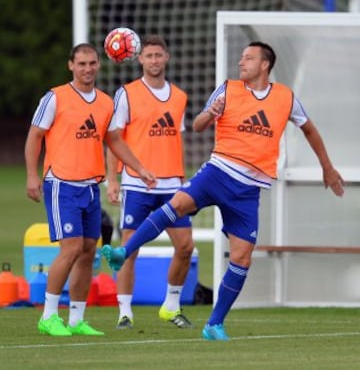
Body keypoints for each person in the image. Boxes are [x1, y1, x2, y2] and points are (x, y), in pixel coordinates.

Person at [102, 41, 344, 341]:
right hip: (218, 172)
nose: (242, 62)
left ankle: (214, 324)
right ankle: (123, 251)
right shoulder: (228, 88)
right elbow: (199, 124)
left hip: (248, 190)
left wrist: (327, 167)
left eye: (249, 58)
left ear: (265, 65)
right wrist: (211, 113)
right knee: (177, 204)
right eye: (241, 57)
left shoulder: (285, 97)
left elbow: (309, 128)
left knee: (242, 258)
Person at [25, 43, 156, 337]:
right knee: (70, 249)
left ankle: (76, 319)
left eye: (92, 63)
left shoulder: (106, 103)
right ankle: (48, 316)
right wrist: (32, 176)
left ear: (99, 65)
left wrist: (140, 168)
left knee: (87, 252)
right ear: (71, 65)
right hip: (61, 184)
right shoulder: (55, 97)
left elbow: (114, 141)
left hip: (90, 187)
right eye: (81, 64)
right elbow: (35, 136)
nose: (87, 69)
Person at [106, 35, 194, 329]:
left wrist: (182, 177)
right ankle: (125, 313)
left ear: (167, 57)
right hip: (136, 184)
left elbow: (176, 138)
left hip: (172, 186)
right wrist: (113, 179)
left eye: (159, 55)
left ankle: (171, 306)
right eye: (149, 56)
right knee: (130, 248)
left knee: (185, 247)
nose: (154, 60)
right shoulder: (126, 94)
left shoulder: (180, 96)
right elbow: (113, 140)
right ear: (139, 59)